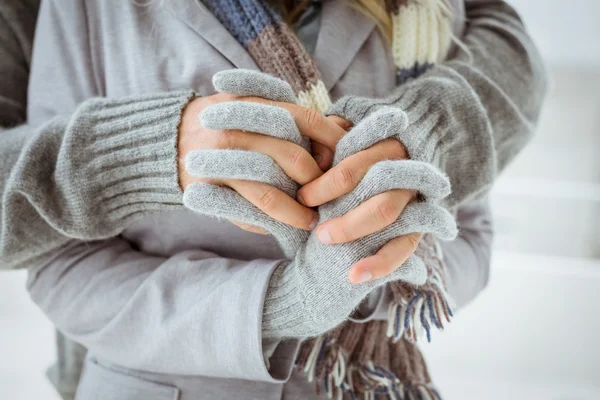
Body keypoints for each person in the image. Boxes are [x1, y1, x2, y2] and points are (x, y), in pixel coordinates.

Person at [0, 0, 546, 399]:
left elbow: (468, 230)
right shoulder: (90, 12)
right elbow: (61, 264)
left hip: (368, 386)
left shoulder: (427, 16)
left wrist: (367, 279)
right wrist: (283, 302)